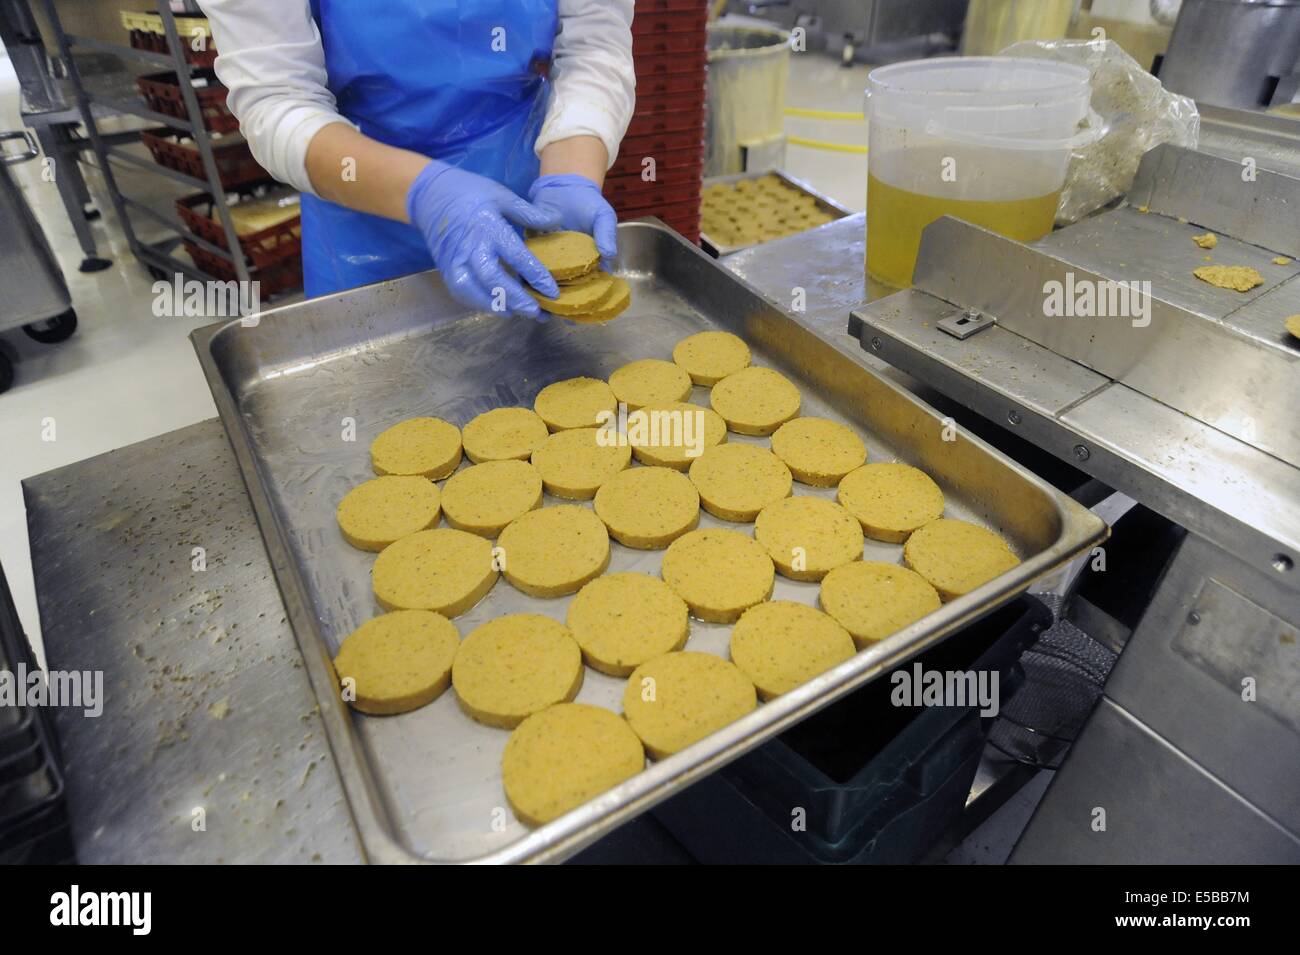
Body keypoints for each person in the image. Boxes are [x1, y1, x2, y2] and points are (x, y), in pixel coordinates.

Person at [202, 1, 635, 317]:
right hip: (363, 207)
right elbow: (276, 99)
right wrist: (426, 193)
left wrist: (570, 172)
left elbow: (593, 48)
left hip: (522, 188)